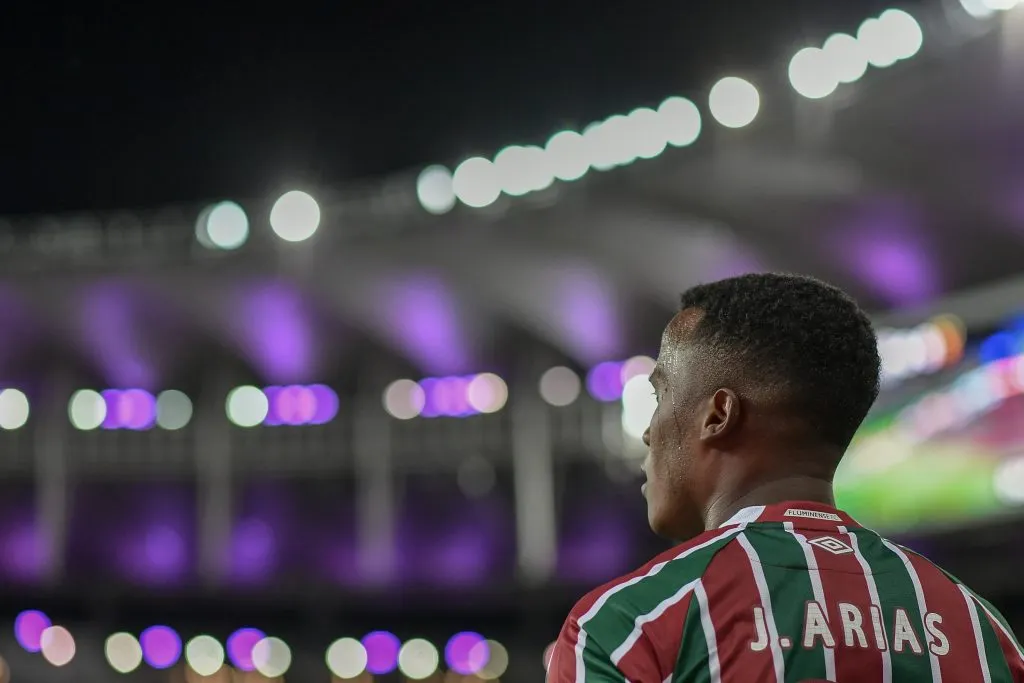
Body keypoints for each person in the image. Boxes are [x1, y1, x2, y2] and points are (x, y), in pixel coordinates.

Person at [547, 273, 1024, 683]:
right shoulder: (981, 630)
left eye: (660, 396)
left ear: (718, 415)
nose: (649, 432)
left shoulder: (628, 627)